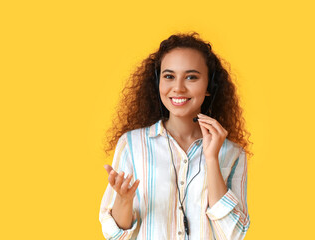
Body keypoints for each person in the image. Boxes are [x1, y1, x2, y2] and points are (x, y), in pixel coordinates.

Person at [99, 32, 252, 240]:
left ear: (209, 86)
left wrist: (212, 159)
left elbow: (234, 234)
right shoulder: (132, 144)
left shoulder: (232, 153)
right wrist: (124, 201)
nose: (178, 88)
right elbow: (114, 235)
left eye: (191, 77)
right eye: (169, 76)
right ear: (158, 82)